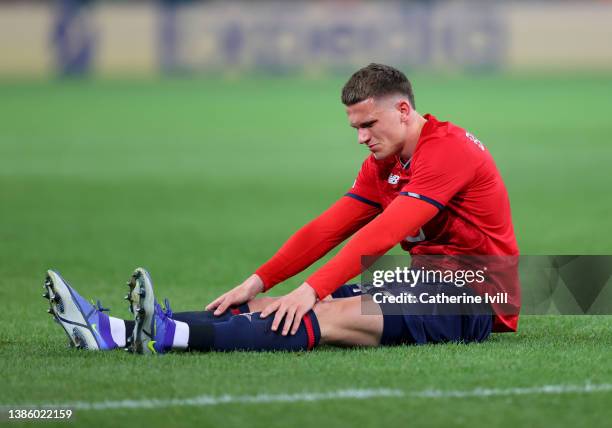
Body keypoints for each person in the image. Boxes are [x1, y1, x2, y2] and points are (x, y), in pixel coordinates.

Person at [44, 63, 519, 354]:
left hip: (473, 297)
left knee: (325, 315)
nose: (361, 137)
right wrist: (259, 280)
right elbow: (328, 227)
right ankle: (112, 331)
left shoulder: (448, 150)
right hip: (419, 282)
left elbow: (381, 233)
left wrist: (311, 290)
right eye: (354, 126)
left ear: (403, 111)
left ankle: (169, 339)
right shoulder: (384, 162)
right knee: (269, 305)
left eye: (369, 123)